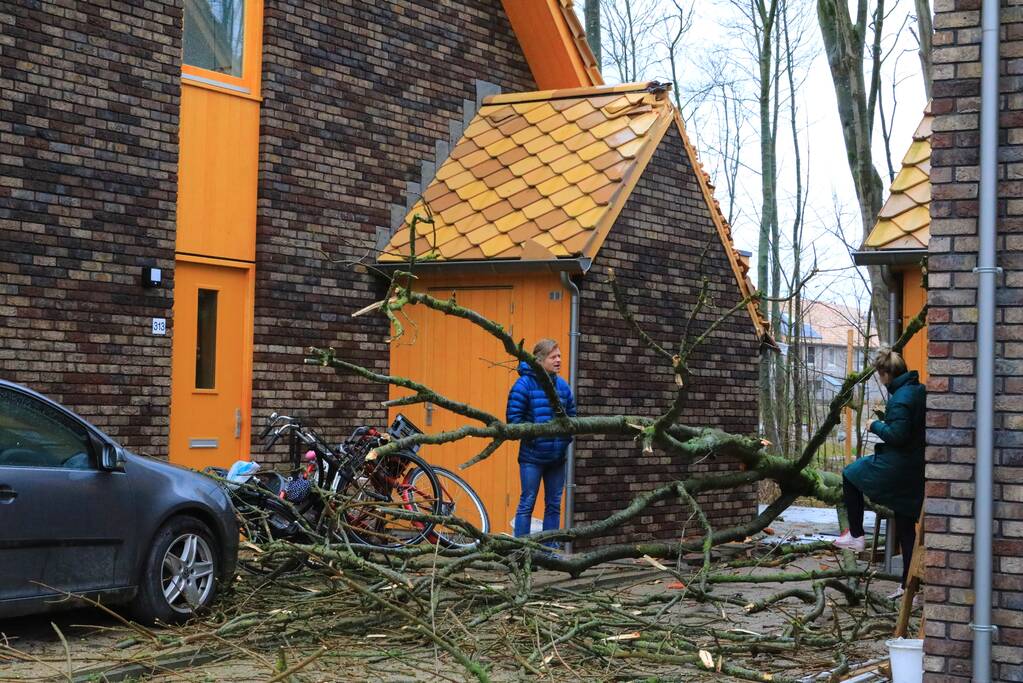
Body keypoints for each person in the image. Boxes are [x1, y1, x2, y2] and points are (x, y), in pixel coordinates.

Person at [834, 348, 926, 597]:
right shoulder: (917, 390)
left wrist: (874, 424)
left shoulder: (901, 398)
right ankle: (909, 588)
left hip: (899, 465)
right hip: (915, 467)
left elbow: (898, 436)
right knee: (906, 527)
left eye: (880, 375)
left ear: (886, 374)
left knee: (850, 474)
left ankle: (856, 534)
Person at [506, 339, 576, 545]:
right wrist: (534, 439)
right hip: (532, 458)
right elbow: (513, 420)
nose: (559, 360)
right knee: (527, 503)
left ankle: (549, 551)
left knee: (554, 505)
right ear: (540, 360)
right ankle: (522, 550)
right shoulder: (524, 384)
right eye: (554, 357)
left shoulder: (562, 386)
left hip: (557, 459)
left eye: (560, 356)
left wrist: (563, 442)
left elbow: (572, 419)